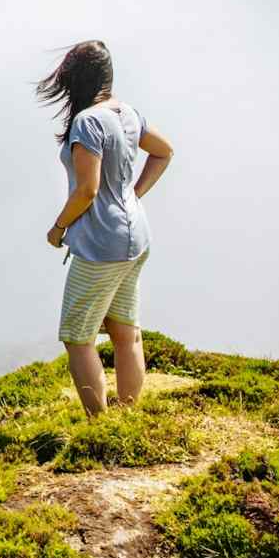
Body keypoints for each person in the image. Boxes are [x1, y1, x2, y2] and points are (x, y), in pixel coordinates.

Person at [37, 40, 174, 416]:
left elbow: (88, 189)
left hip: (101, 244)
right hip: (136, 236)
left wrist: (58, 228)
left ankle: (99, 424)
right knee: (125, 332)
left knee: (78, 339)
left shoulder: (87, 122)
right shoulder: (128, 113)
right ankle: (126, 417)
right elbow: (164, 151)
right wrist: (133, 195)